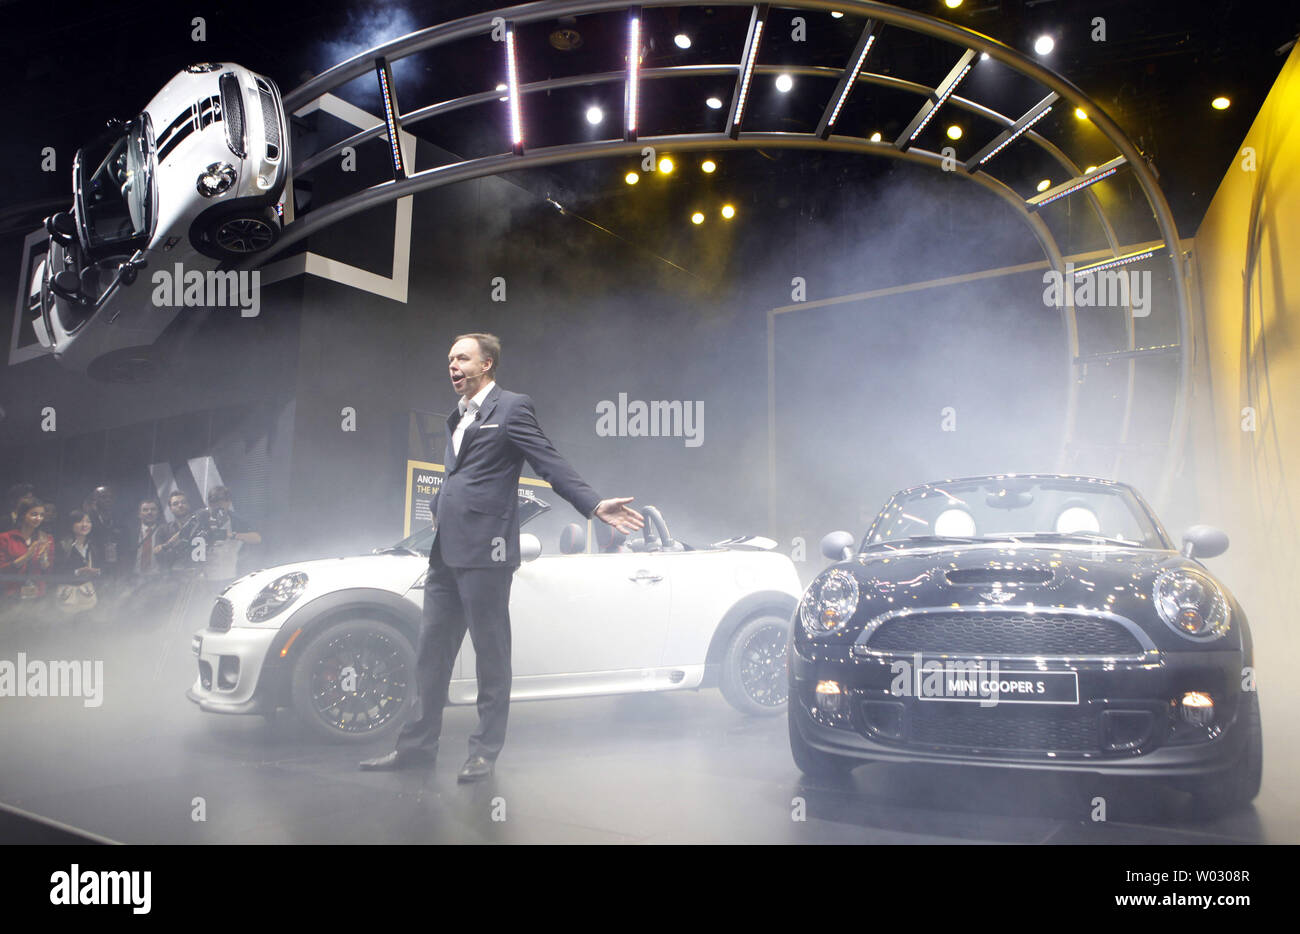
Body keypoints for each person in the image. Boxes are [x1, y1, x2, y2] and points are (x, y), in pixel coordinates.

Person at [360, 333, 644, 781]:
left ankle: (483, 752)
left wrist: (592, 504)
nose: (452, 365)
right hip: (444, 557)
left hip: (487, 555)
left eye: (462, 358)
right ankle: (416, 747)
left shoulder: (512, 407)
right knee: (430, 656)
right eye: (449, 358)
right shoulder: (457, 415)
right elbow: (460, 477)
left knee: (491, 657)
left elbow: (548, 461)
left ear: (486, 363)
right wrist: (439, 509)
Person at [0, 495, 55, 605]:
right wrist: (26, 557)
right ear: (22, 515)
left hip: (38, 595)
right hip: (10, 595)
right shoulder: (5, 538)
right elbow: (2, 570)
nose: (38, 518)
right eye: (34, 514)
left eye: (42, 515)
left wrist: (43, 560)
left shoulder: (46, 538)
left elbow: (49, 572)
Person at [55, 509, 101, 617]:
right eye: (80, 521)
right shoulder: (63, 545)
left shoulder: (94, 545)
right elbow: (56, 571)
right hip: (68, 595)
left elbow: (103, 567)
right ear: (71, 524)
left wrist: (97, 572)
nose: (85, 525)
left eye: (88, 521)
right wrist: (77, 572)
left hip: (89, 593)